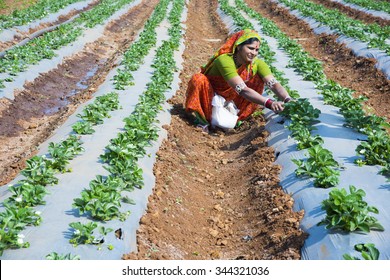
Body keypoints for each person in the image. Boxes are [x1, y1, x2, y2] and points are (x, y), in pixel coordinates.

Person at [185, 29, 292, 130]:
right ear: (238, 47)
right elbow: (243, 89)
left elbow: (273, 84)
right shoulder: (225, 60)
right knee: (198, 79)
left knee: (258, 79)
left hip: (232, 99)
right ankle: (203, 120)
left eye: (256, 50)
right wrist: (270, 103)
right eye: (250, 48)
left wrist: (288, 100)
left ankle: (237, 118)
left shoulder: (257, 64)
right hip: (210, 97)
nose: (254, 53)